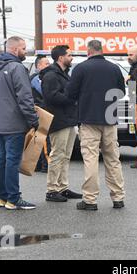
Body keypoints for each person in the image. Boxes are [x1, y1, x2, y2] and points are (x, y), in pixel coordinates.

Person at [67, 40, 126, 211]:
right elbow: (121, 92)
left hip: (88, 119)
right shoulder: (114, 68)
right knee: (113, 159)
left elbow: (71, 93)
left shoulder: (80, 69)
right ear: (101, 50)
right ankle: (118, 197)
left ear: (89, 51)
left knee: (91, 159)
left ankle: (90, 200)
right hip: (110, 119)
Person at [0, 36, 39, 210]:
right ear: (15, 49)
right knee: (12, 160)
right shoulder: (17, 68)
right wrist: (33, 120)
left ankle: (1, 197)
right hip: (14, 123)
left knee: (1, 159)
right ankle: (13, 199)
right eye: (24, 48)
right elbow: (25, 97)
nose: (26, 51)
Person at [40, 45, 81, 202]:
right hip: (58, 121)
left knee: (66, 155)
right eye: (69, 55)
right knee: (57, 154)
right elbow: (52, 97)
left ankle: (63, 187)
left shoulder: (63, 74)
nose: (71, 58)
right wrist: (72, 98)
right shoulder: (51, 76)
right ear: (60, 57)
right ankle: (52, 190)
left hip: (69, 119)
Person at [30, 55, 50, 173]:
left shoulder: (43, 77)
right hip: (39, 111)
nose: (49, 66)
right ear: (39, 66)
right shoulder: (36, 78)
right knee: (43, 139)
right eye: (46, 64)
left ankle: (37, 164)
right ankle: (45, 165)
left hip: (41, 110)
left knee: (39, 138)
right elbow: (44, 91)